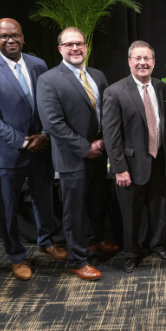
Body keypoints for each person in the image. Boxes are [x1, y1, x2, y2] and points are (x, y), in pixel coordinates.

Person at [0, 18, 64, 282]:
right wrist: (24, 141)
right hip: (9, 153)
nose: (9, 40)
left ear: (23, 38)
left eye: (15, 36)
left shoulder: (38, 65)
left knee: (44, 199)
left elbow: (48, 105)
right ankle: (16, 256)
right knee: (9, 207)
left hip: (42, 148)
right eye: (3, 37)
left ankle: (47, 241)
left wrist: (44, 134)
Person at [36, 27, 108, 281]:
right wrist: (84, 148)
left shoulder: (97, 75)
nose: (75, 48)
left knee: (96, 203)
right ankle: (77, 260)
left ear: (85, 47)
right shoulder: (49, 79)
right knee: (74, 211)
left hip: (99, 153)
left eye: (79, 43)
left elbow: (107, 115)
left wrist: (102, 143)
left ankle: (92, 241)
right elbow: (53, 123)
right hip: (72, 157)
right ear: (60, 49)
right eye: (69, 44)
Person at [102, 40, 166, 273]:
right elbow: (111, 135)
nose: (143, 63)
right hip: (130, 166)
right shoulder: (114, 92)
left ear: (154, 63)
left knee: (158, 206)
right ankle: (132, 252)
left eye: (147, 59)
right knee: (131, 212)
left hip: (159, 160)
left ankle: (158, 244)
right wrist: (119, 168)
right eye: (138, 58)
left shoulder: (162, 88)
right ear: (129, 62)